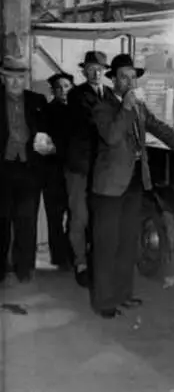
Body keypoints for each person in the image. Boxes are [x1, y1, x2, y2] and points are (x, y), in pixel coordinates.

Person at [90, 54, 174, 319]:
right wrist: (126, 108)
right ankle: (104, 300)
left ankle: (123, 294)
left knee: (128, 241)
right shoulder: (103, 107)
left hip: (134, 181)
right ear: (113, 80)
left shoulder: (139, 107)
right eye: (124, 77)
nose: (130, 81)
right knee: (107, 244)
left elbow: (160, 128)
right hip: (109, 187)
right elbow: (111, 137)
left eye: (133, 77)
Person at [0, 55, 56, 284]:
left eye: (20, 77)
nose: (16, 82)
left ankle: (24, 268)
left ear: (26, 78)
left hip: (29, 170)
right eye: (11, 77)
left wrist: (50, 147)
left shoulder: (37, 101)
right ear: (2, 77)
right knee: (1, 221)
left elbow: (51, 135)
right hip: (2, 170)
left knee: (27, 221)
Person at [66, 50, 109, 287]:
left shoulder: (110, 94)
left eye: (100, 68)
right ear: (83, 71)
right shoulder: (76, 95)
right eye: (91, 68)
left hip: (101, 168)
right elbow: (93, 122)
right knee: (79, 217)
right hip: (79, 166)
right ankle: (81, 262)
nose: (95, 72)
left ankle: (95, 261)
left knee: (98, 216)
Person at [43, 72, 75, 270]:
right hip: (52, 172)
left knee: (74, 216)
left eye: (67, 86)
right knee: (54, 217)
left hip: (73, 171)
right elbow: (45, 144)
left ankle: (71, 253)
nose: (63, 90)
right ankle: (58, 256)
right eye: (59, 87)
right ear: (53, 91)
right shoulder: (47, 111)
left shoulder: (77, 110)